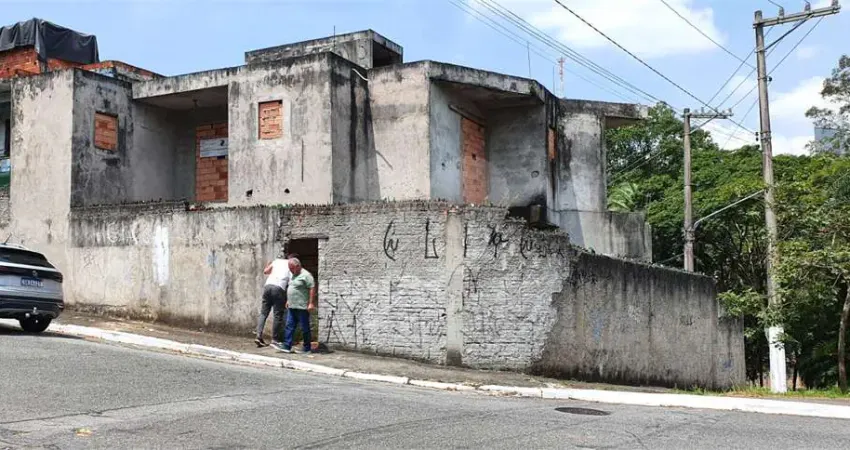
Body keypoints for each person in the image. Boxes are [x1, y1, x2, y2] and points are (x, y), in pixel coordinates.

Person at [280, 257, 316, 354]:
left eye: (292, 268)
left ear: (297, 266)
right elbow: (292, 287)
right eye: (289, 268)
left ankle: (307, 347)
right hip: (292, 305)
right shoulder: (294, 275)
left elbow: (312, 288)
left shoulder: (306, 275)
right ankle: (287, 345)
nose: (290, 271)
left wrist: (311, 303)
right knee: (289, 325)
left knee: (305, 328)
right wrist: (288, 300)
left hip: (302, 306)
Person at [255, 254, 291, 349]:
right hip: (279, 288)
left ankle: (258, 336)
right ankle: (275, 340)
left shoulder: (277, 261)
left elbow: (266, 271)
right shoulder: (291, 265)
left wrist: (268, 264)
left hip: (268, 286)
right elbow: (291, 283)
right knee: (277, 315)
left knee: (263, 313)